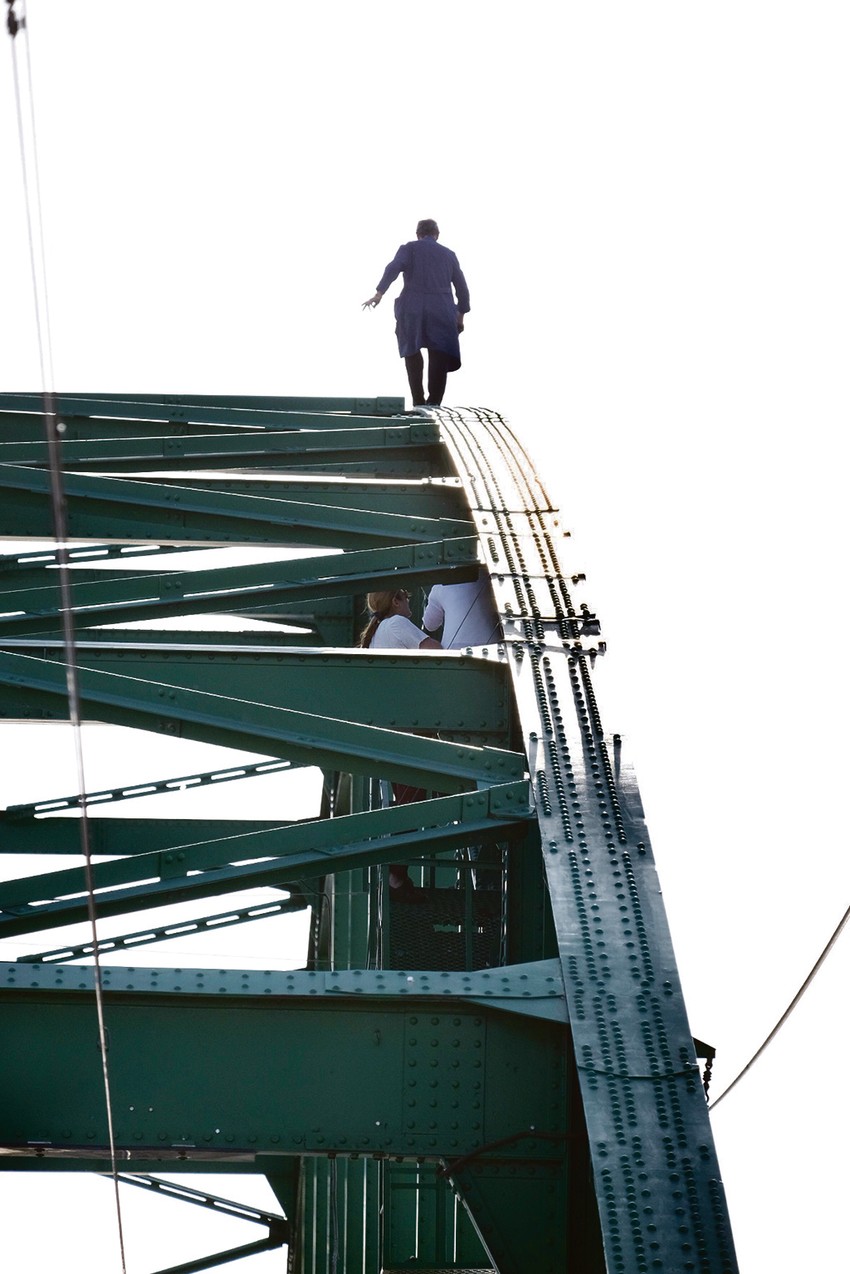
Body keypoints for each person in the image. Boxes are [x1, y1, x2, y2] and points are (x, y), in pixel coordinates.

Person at [358, 587, 442, 901]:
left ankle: (398, 875)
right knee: (420, 799)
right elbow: (437, 651)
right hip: (410, 727)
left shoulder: (378, 632)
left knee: (413, 800)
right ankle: (395, 871)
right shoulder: (396, 625)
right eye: (405, 596)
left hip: (393, 731)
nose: (410, 600)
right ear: (395, 601)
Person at [362, 219, 470, 408]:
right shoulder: (449, 255)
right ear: (437, 234)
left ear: (418, 234)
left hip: (412, 306)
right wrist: (460, 316)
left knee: (411, 349)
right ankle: (434, 402)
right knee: (439, 352)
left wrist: (379, 293)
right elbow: (462, 287)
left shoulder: (409, 248)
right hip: (441, 307)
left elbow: (393, 267)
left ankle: (418, 401)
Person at [423, 568, 501, 649]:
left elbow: (430, 625)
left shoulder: (439, 587)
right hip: (492, 642)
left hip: (454, 646)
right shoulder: (489, 579)